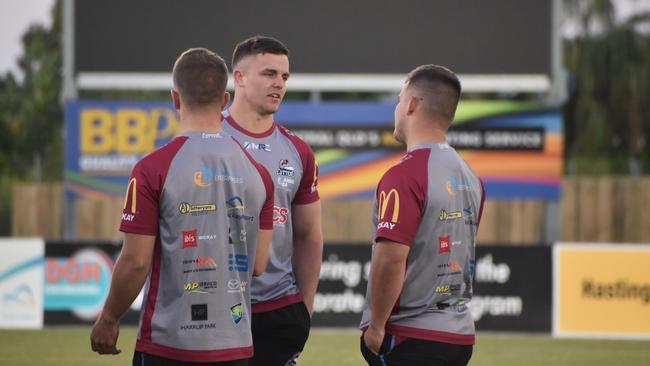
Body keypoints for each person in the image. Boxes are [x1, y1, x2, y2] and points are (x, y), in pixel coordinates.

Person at [90, 48, 274, 366]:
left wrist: (109, 317)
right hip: (235, 347)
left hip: (168, 345)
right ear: (225, 101)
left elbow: (135, 262)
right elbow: (258, 265)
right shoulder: (259, 173)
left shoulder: (152, 169)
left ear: (175, 98)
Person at [359, 65, 486, 366]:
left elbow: (390, 258)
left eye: (400, 99)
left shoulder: (404, 175)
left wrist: (376, 327)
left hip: (412, 336)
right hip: (459, 335)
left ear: (412, 105)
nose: (397, 107)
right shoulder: (472, 177)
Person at [222, 35, 323, 366]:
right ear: (239, 77)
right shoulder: (207, 138)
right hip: (215, 307)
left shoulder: (298, 151)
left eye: (284, 76)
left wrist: (303, 309)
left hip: (278, 311)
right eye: (269, 74)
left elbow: (308, 234)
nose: (279, 83)